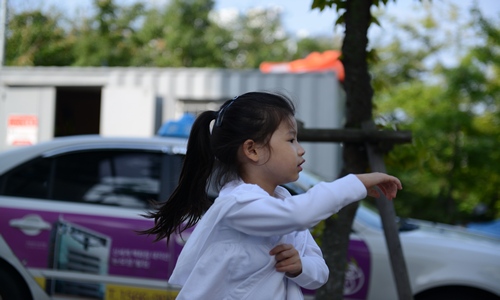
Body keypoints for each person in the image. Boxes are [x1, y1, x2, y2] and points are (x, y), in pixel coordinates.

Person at [140, 91, 402, 300]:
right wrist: (355, 183)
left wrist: (301, 266)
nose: (300, 151)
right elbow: (301, 214)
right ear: (252, 150)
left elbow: (319, 272)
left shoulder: (284, 202)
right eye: (290, 141)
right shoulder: (238, 204)